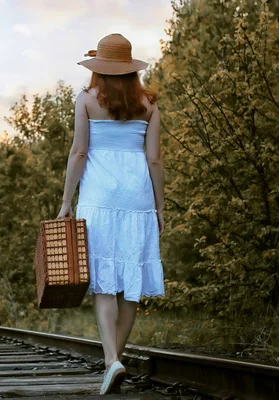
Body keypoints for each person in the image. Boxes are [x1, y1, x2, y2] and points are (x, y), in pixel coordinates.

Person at [57, 33, 166, 395]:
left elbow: (78, 153)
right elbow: (154, 159)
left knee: (104, 280)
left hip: (99, 198)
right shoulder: (149, 105)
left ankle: (111, 361)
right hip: (137, 199)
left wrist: (66, 202)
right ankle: (115, 359)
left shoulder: (86, 100)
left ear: (98, 70)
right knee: (130, 284)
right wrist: (160, 206)